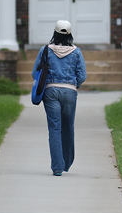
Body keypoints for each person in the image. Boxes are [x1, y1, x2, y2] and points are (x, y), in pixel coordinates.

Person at [32, 20, 87, 176]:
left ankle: (57, 167)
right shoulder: (76, 52)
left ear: (54, 33)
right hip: (69, 92)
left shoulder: (45, 50)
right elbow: (82, 75)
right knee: (68, 127)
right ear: (69, 35)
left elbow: (34, 72)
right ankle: (67, 163)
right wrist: (74, 85)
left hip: (50, 92)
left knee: (54, 129)